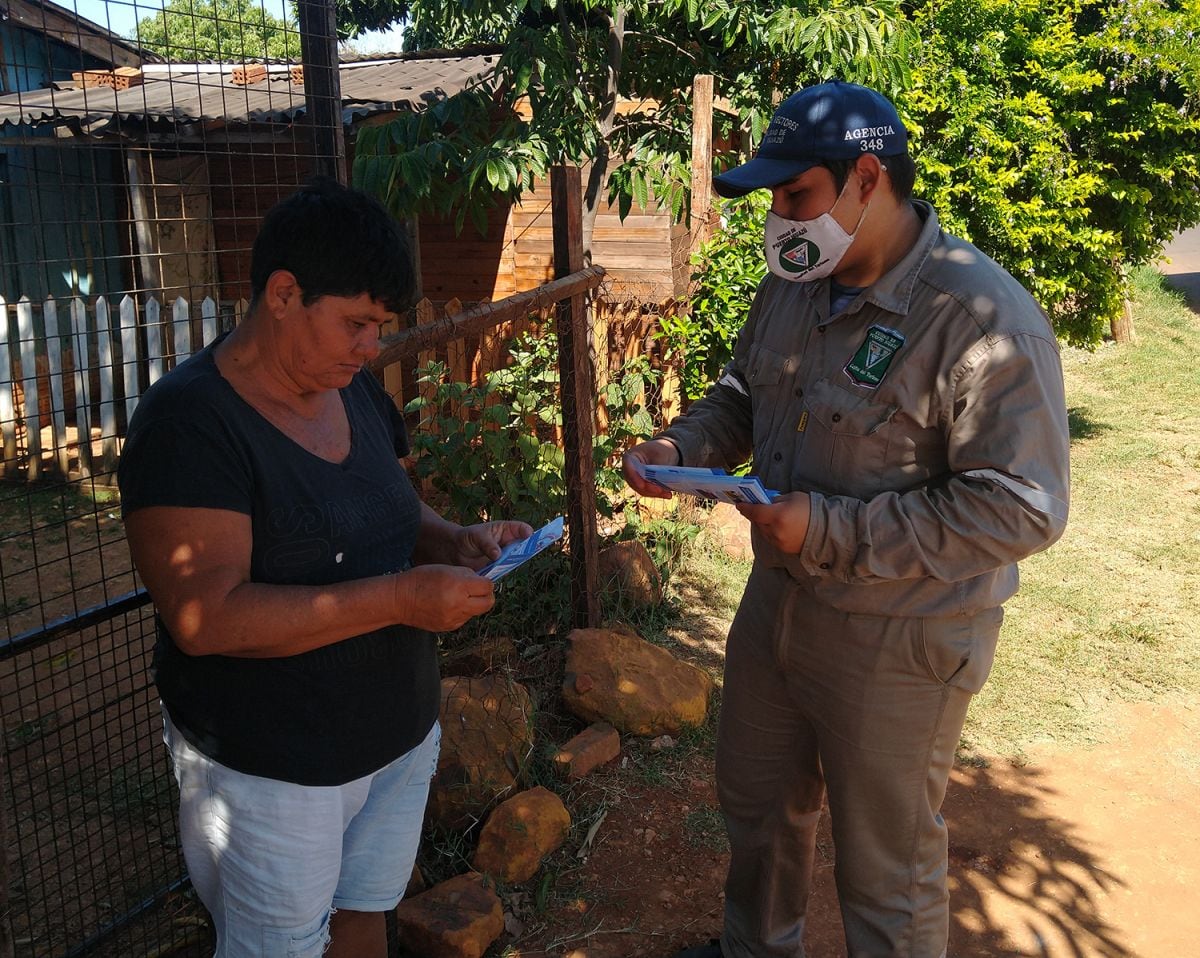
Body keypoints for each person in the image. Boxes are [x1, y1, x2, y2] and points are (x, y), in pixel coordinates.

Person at [623, 80, 1070, 958]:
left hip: (901, 636)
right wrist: (682, 447)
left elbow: (1023, 508)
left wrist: (829, 529)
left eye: (797, 196)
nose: (780, 220)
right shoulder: (796, 281)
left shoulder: (982, 321)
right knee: (757, 811)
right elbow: (748, 393)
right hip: (779, 608)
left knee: (885, 871)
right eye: (774, 201)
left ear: (867, 179)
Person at [118, 179, 532, 958]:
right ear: (283, 293)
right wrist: (403, 599)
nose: (372, 346)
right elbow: (206, 619)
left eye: (379, 327)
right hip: (272, 770)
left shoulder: (360, 396)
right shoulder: (189, 424)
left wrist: (456, 542)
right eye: (357, 323)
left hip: (395, 739)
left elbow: (395, 519)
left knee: (364, 912)